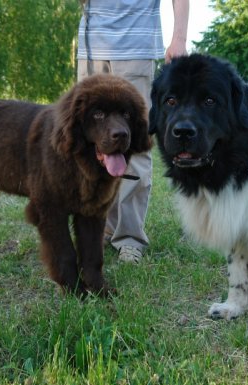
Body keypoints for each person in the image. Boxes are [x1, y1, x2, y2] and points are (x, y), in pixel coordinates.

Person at [77, 0, 189, 263]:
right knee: (92, 144)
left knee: (134, 143)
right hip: (92, 47)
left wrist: (179, 38)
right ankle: (101, 227)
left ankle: (129, 237)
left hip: (134, 48)